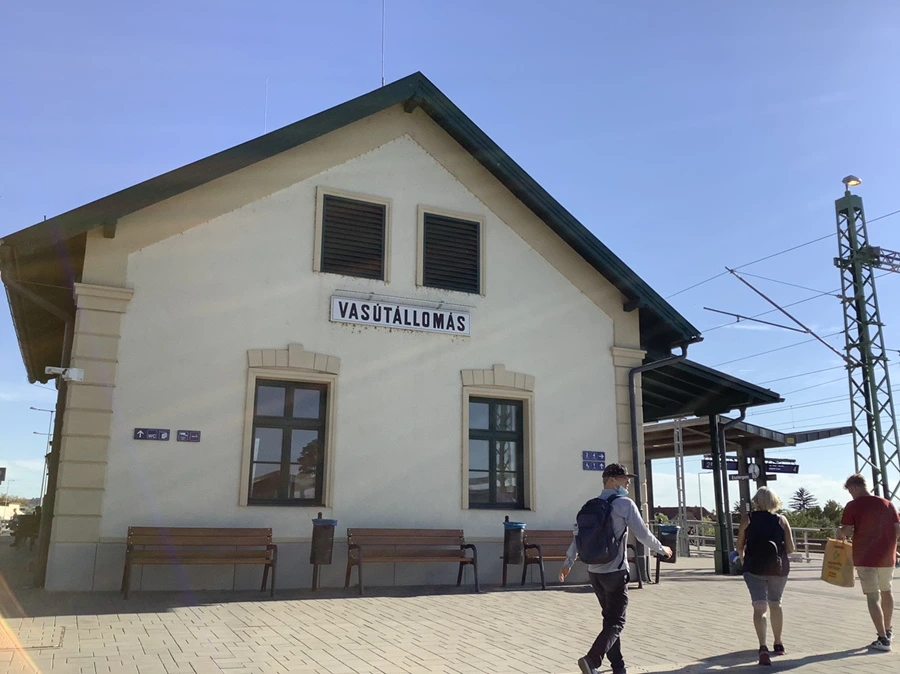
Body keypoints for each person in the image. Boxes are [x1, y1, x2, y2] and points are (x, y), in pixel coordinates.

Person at [559, 463, 672, 674]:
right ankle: (591, 660)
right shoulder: (624, 504)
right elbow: (643, 534)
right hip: (615, 572)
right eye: (624, 479)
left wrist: (568, 563)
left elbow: (578, 538)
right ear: (612, 480)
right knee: (617, 621)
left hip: (595, 573)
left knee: (609, 621)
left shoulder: (590, 506)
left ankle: (618, 667)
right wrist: (662, 549)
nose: (628, 483)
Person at [838, 473, 900, 652]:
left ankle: (882, 638)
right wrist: (889, 545)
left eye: (850, 491)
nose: (851, 494)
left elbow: (847, 531)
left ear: (854, 487)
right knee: (887, 591)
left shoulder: (853, 505)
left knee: (873, 597)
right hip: (887, 557)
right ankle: (888, 630)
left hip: (865, 557)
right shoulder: (887, 504)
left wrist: (840, 532)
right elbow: (897, 529)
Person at [736, 487, 795, 666]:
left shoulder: (747, 519)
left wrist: (743, 559)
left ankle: (762, 647)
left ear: (756, 501)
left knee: (759, 608)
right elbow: (791, 548)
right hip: (778, 569)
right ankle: (778, 643)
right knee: (775, 604)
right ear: (774, 501)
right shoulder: (781, 520)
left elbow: (739, 545)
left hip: (754, 568)